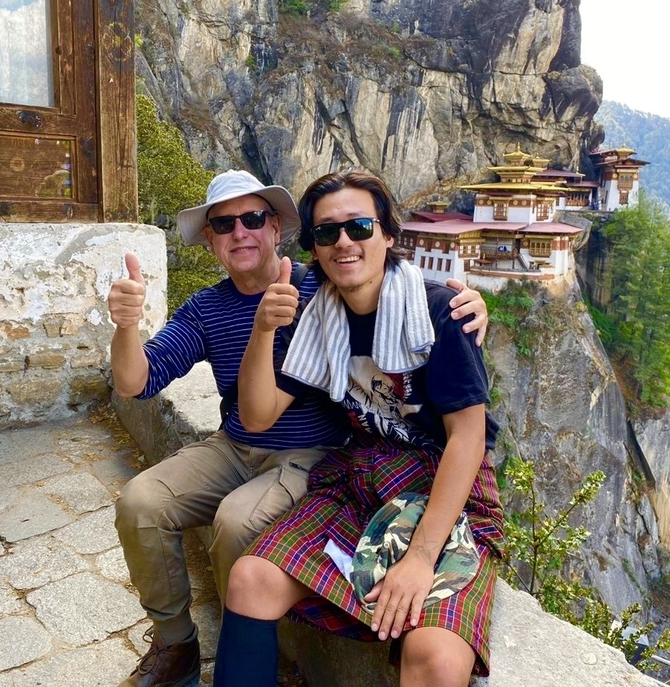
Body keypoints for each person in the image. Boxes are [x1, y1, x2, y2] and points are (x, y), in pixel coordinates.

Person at [108, 169, 490, 687]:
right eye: (224, 224)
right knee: (141, 503)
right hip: (300, 456)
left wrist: (467, 301)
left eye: (252, 219)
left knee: (238, 522)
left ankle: (241, 634)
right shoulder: (290, 310)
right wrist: (127, 325)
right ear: (211, 241)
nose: (239, 232)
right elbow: (145, 384)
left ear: (277, 230)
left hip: (329, 455)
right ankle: (182, 644)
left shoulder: (326, 291)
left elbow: (391, 283)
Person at [214, 168, 503, 687]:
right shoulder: (318, 315)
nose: (343, 242)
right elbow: (257, 415)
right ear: (315, 248)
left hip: (445, 484)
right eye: (327, 232)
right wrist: (262, 329)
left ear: (388, 235)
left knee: (436, 658)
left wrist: (419, 559)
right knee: (250, 579)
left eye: (359, 227)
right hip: (362, 475)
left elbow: (468, 438)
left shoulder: (439, 312)